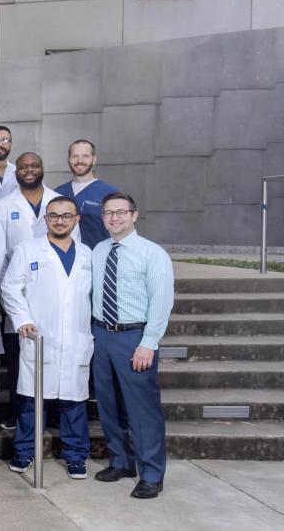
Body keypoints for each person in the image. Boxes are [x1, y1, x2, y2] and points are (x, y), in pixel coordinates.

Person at [1, 197, 93, 480]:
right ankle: (24, 451)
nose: (60, 220)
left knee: (74, 401)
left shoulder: (89, 255)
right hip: (38, 337)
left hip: (75, 339)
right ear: (46, 220)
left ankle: (76, 455)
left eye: (66, 216)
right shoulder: (27, 250)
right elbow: (10, 288)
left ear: (76, 219)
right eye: (53, 216)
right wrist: (24, 320)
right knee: (30, 400)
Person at [90, 192, 173, 499]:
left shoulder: (152, 254)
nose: (114, 218)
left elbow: (161, 303)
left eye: (121, 212)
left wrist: (148, 343)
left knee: (142, 410)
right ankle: (121, 462)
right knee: (108, 405)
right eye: (108, 213)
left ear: (134, 216)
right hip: (101, 334)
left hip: (134, 338)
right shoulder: (98, 250)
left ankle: (151, 473)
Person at [54, 139, 117, 249]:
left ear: (94, 159)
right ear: (68, 160)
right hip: (62, 261)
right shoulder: (56, 193)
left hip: (98, 261)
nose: (80, 160)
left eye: (85, 156)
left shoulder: (110, 194)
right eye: (75, 156)